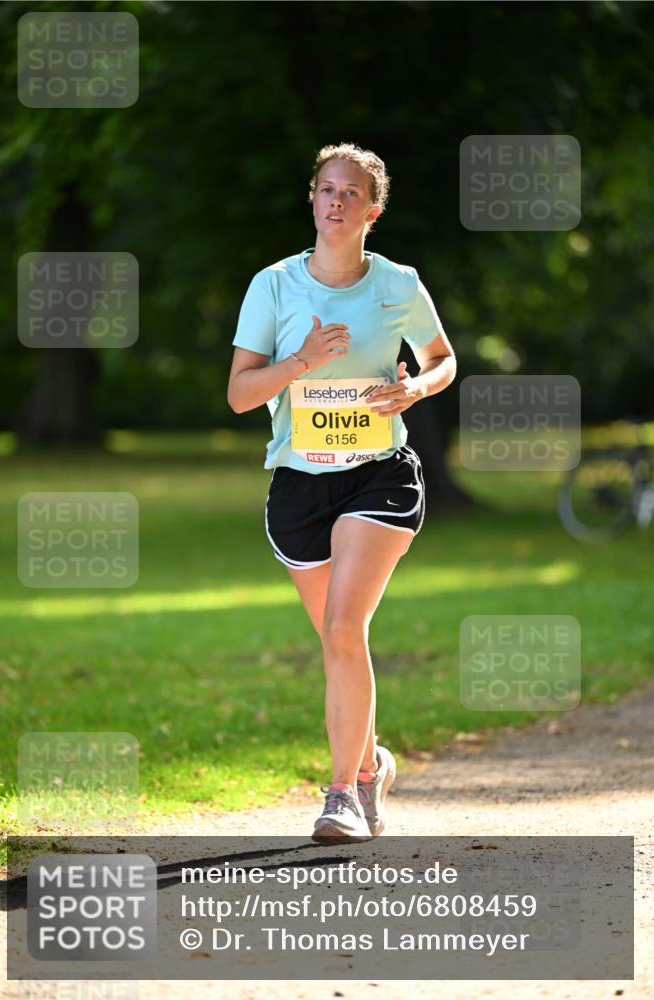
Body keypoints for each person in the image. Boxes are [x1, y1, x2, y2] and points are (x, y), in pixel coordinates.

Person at [227, 142, 456, 843]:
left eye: (351, 192)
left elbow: (442, 359)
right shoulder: (272, 286)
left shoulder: (398, 284)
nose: (336, 201)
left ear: (372, 210)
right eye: (326, 189)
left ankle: (341, 796)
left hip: (379, 475)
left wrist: (413, 389)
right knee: (337, 642)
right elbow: (240, 394)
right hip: (299, 484)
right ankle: (371, 766)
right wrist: (300, 361)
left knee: (342, 628)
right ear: (313, 199)